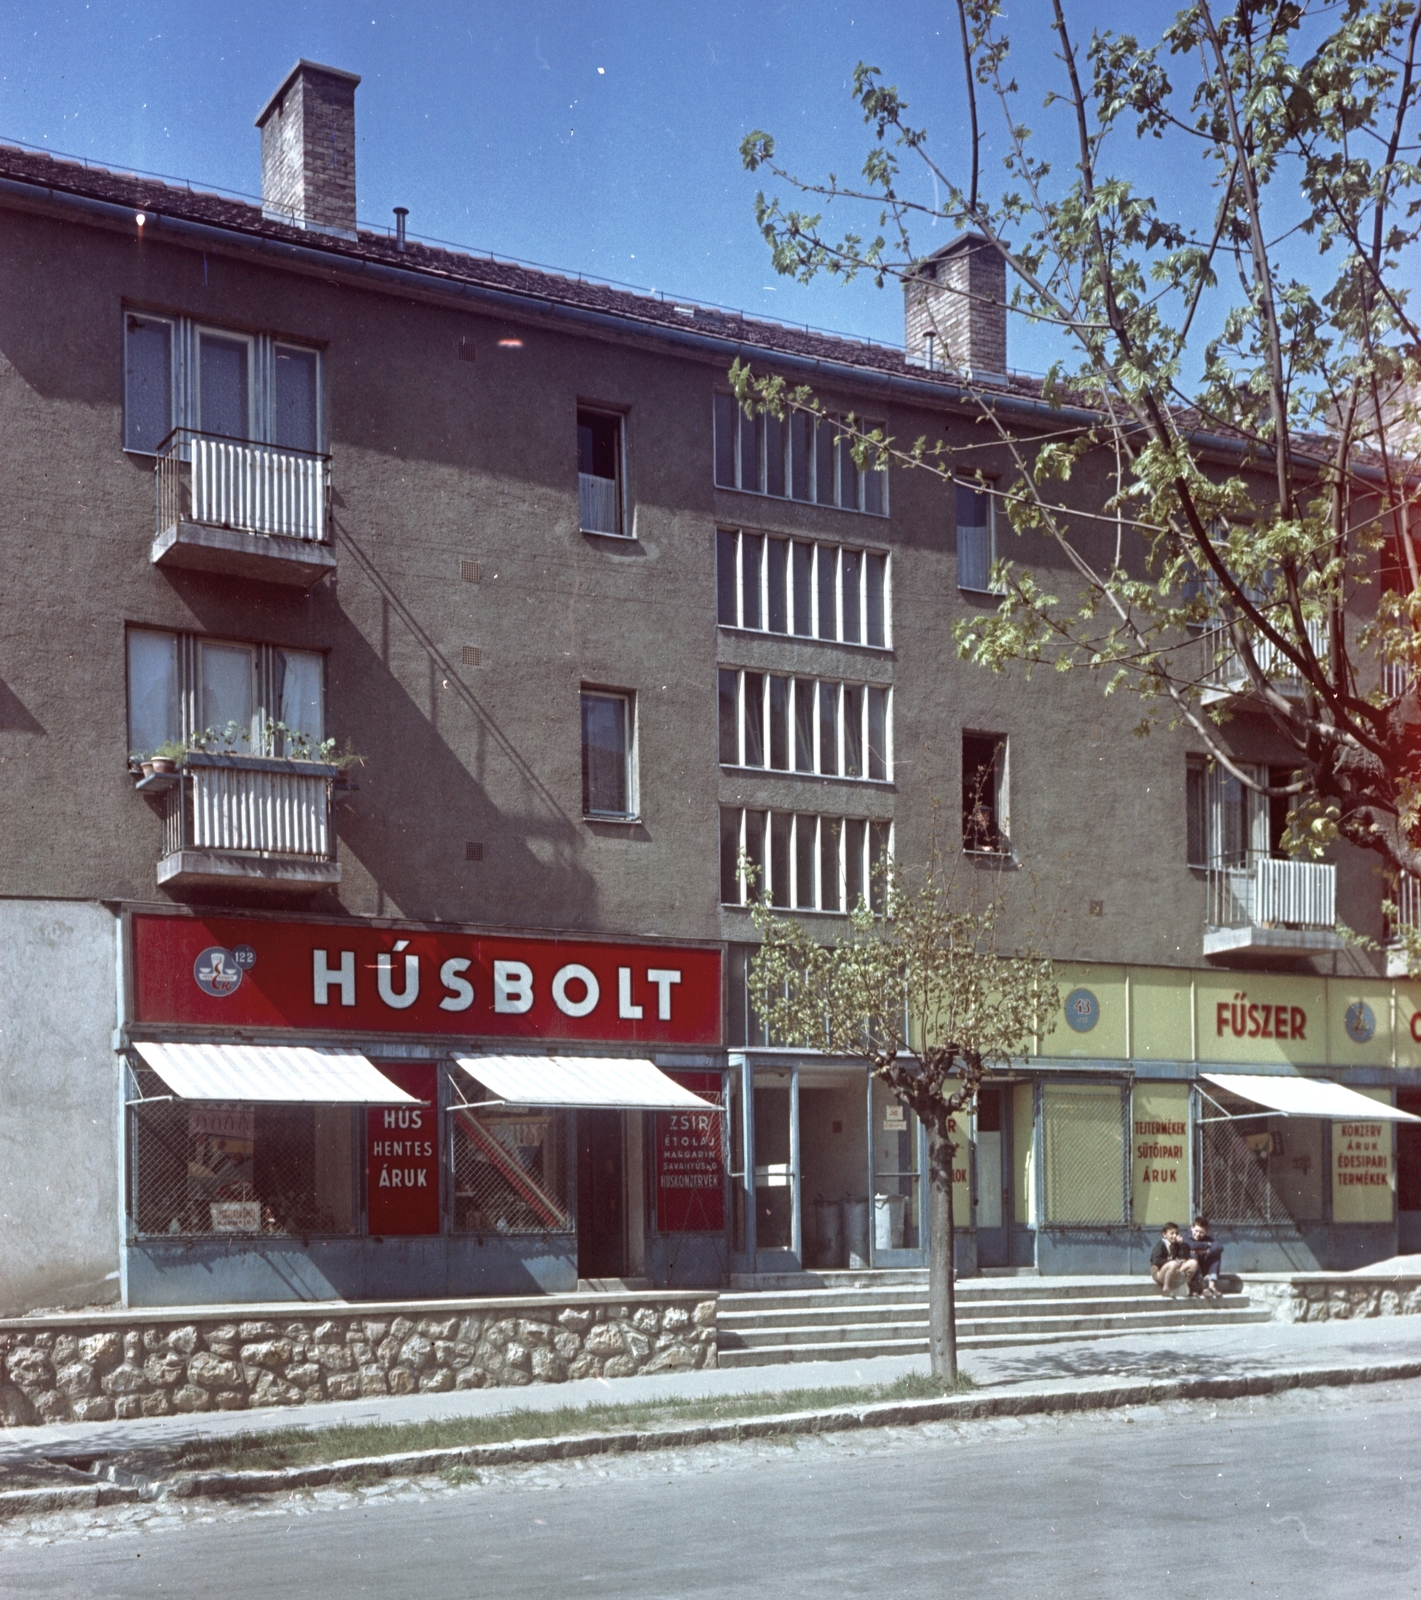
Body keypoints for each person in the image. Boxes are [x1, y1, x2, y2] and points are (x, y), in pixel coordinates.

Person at [1149, 1221, 1199, 1298]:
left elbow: (1185, 1257)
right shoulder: (1160, 1244)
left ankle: (1184, 1286)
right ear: (1164, 1234)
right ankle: (1166, 1289)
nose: (1175, 1236)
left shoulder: (1176, 1245)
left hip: (1172, 1270)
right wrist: (1173, 1263)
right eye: (1172, 1233)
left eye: (1176, 1233)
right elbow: (1156, 1260)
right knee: (1173, 1263)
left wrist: (1182, 1244)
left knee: (1193, 1263)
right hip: (1159, 1273)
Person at [1189, 1217, 1224, 1299]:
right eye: (1196, 1231)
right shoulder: (1187, 1236)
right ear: (1192, 1228)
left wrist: (1205, 1251)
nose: (1198, 1234)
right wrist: (1208, 1244)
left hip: (1204, 1268)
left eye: (1201, 1232)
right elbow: (1192, 1245)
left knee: (1215, 1253)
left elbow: (1219, 1247)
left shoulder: (1207, 1238)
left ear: (1206, 1232)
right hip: (1192, 1271)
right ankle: (1203, 1287)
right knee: (1193, 1253)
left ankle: (1212, 1285)